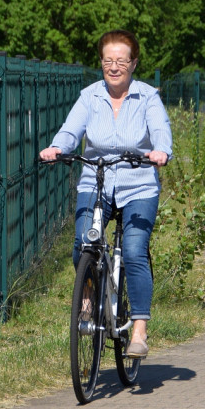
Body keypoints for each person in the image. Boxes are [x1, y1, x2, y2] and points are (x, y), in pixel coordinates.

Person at [39, 30, 172, 359]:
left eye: (121, 61)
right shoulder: (89, 96)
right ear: (101, 62)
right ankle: (88, 297)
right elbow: (72, 129)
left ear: (134, 63)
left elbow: (160, 130)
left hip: (138, 182)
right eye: (108, 60)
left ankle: (139, 328)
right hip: (95, 181)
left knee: (134, 249)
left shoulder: (147, 97)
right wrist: (59, 147)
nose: (114, 67)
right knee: (83, 243)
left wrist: (160, 151)